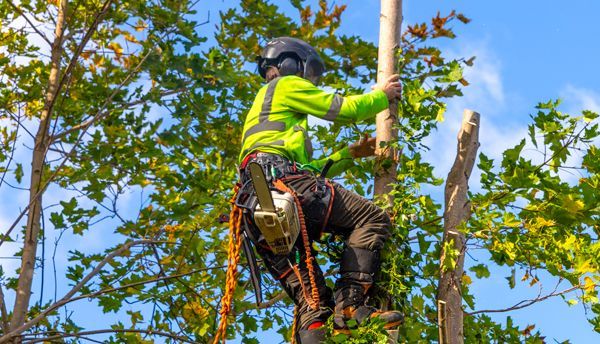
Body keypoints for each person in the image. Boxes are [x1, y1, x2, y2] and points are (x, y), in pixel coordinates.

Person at [237, 37, 402, 343]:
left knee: (312, 300)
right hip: (282, 184)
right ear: (290, 64)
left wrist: (348, 155)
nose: (309, 81)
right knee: (371, 218)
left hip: (256, 203)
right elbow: (343, 109)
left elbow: (309, 173)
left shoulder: (264, 117)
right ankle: (352, 306)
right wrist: (382, 96)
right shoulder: (284, 85)